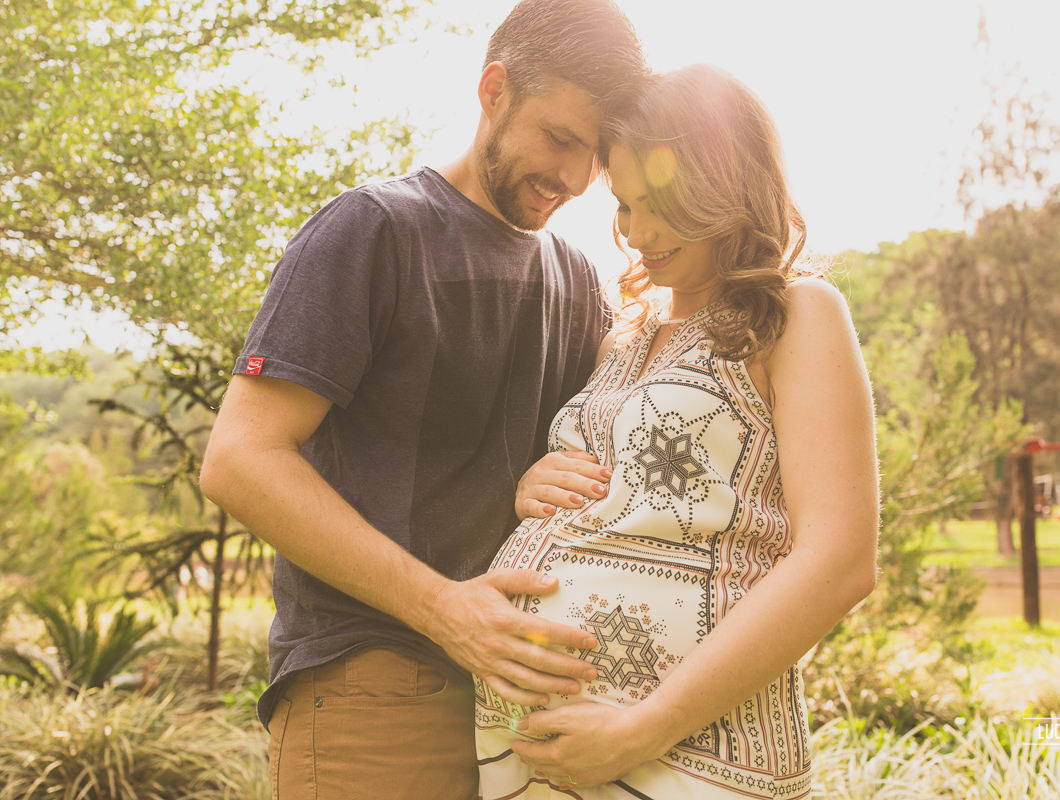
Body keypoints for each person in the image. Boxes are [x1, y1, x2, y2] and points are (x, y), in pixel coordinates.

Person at [198, 2, 648, 798]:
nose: (576, 179)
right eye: (560, 138)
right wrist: (445, 609)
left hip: (525, 708)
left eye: (596, 158)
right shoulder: (373, 230)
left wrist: (539, 476)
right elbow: (240, 460)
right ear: (494, 90)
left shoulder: (578, 279)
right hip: (378, 685)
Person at [474, 64, 880, 799]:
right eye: (626, 206)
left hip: (683, 756)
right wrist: (536, 486)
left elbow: (839, 560)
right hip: (530, 756)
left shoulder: (798, 314)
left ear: (729, 186)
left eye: (662, 203)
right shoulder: (623, 336)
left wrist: (646, 726)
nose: (639, 233)